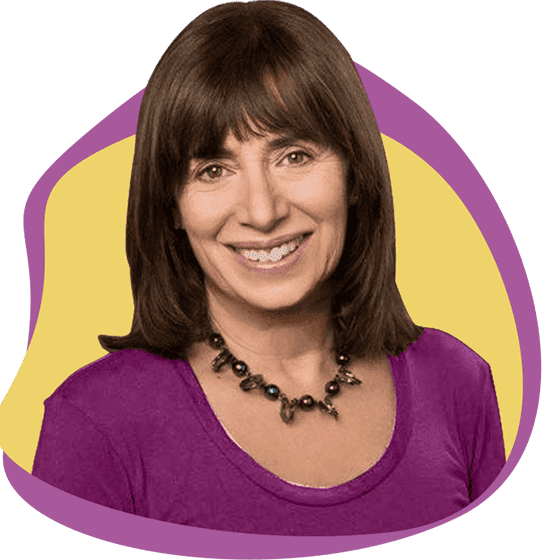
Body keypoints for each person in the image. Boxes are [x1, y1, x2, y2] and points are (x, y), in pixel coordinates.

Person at [32, 0, 505, 536]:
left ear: (354, 173)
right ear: (171, 206)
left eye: (294, 156)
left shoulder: (458, 383)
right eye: (213, 169)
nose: (262, 212)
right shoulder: (95, 424)